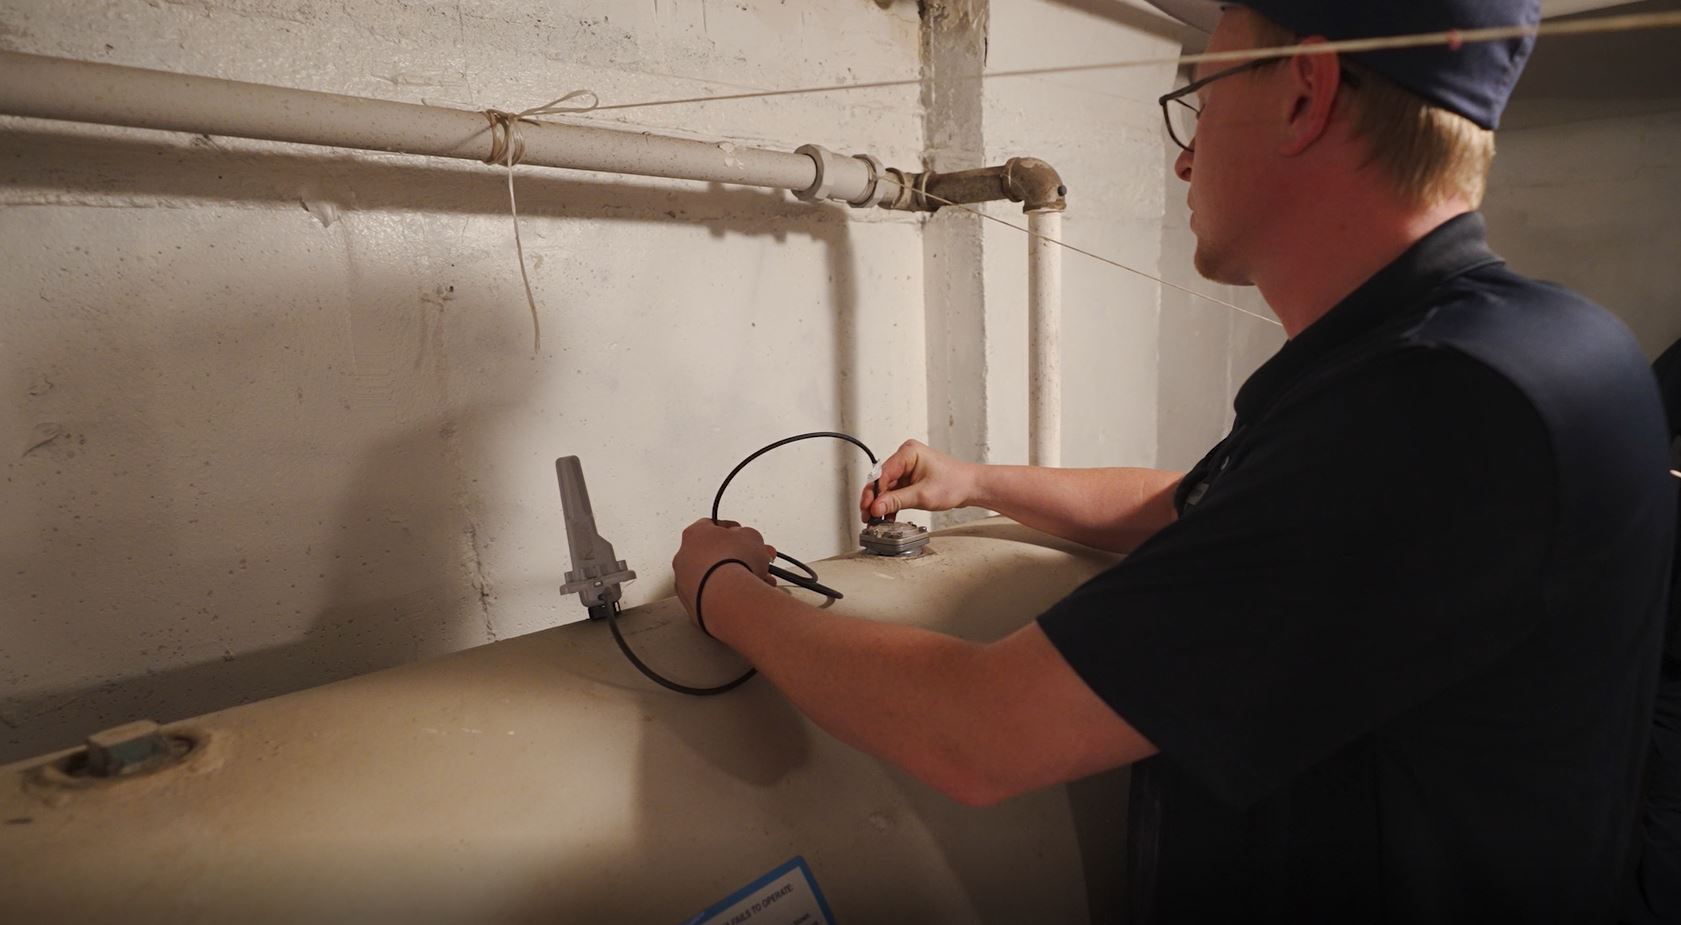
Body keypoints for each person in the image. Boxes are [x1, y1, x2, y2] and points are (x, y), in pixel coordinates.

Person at [672, 1, 1677, 920]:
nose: (1184, 159)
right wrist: (977, 480)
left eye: (1197, 101)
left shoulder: (1432, 409)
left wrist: (726, 587)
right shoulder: (1532, 344)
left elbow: (979, 734)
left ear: (1302, 93)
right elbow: (1205, 507)